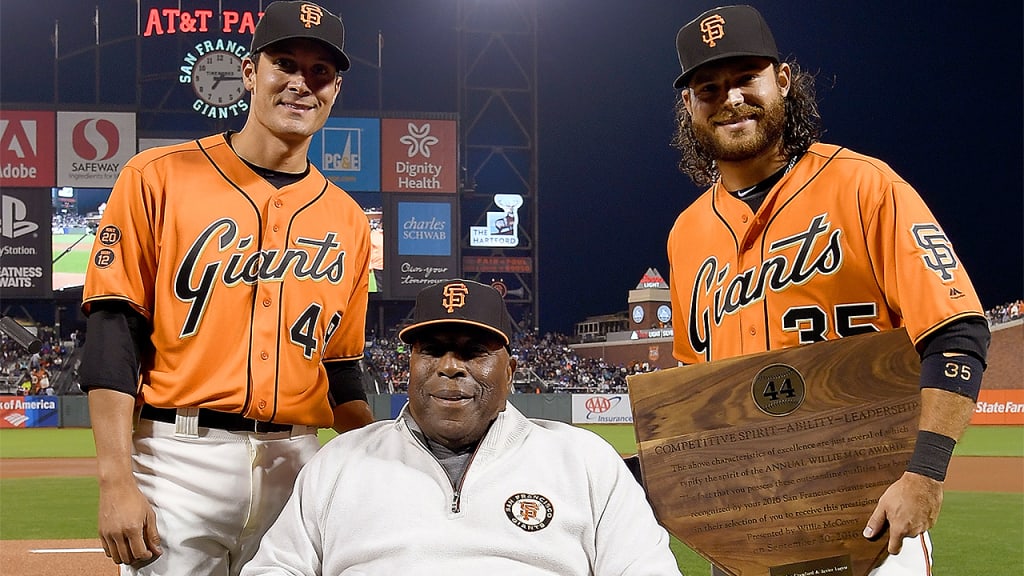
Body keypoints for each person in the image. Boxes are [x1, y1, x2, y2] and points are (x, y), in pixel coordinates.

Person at [665, 5, 990, 575]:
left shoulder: (866, 186)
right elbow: (701, 394)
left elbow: (957, 330)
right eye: (709, 87)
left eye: (746, 77)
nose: (730, 97)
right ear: (689, 107)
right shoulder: (687, 235)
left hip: (872, 520)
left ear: (783, 81)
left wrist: (927, 471)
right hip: (746, 531)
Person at [78, 2, 374, 574]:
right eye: (284, 63)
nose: (300, 84)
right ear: (248, 73)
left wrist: (392, 457)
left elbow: (343, 369)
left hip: (298, 462)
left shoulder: (350, 220)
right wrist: (115, 479)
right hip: (176, 458)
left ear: (335, 89)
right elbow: (114, 331)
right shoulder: (155, 176)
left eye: (320, 72)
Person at [240, 279, 682, 575]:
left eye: (473, 352)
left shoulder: (583, 459)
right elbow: (276, 568)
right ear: (407, 367)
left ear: (510, 372)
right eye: (432, 350)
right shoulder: (340, 461)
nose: (450, 368)